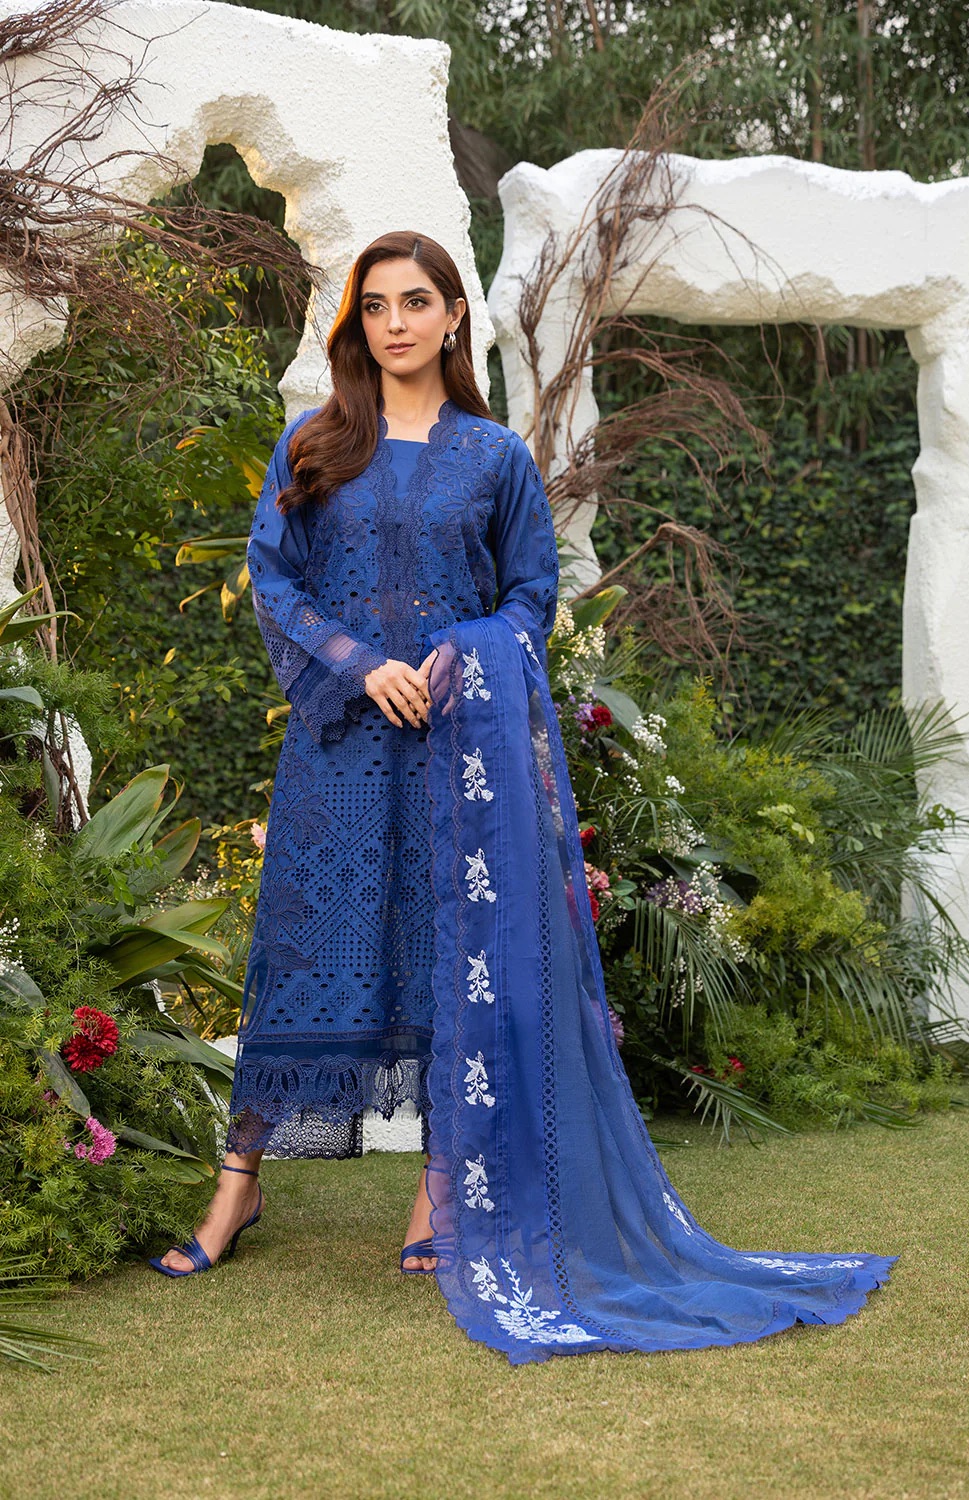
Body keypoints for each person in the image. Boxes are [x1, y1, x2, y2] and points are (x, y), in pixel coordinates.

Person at [150, 230, 897, 1365]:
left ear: (455, 317)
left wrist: (463, 656)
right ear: (355, 324)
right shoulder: (314, 443)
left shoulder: (495, 458)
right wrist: (361, 663)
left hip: (454, 751)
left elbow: (530, 597)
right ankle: (237, 1186)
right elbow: (275, 577)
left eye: (416, 302)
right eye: (374, 307)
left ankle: (435, 1191)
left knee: (444, 954)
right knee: (303, 951)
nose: (394, 324)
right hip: (340, 747)